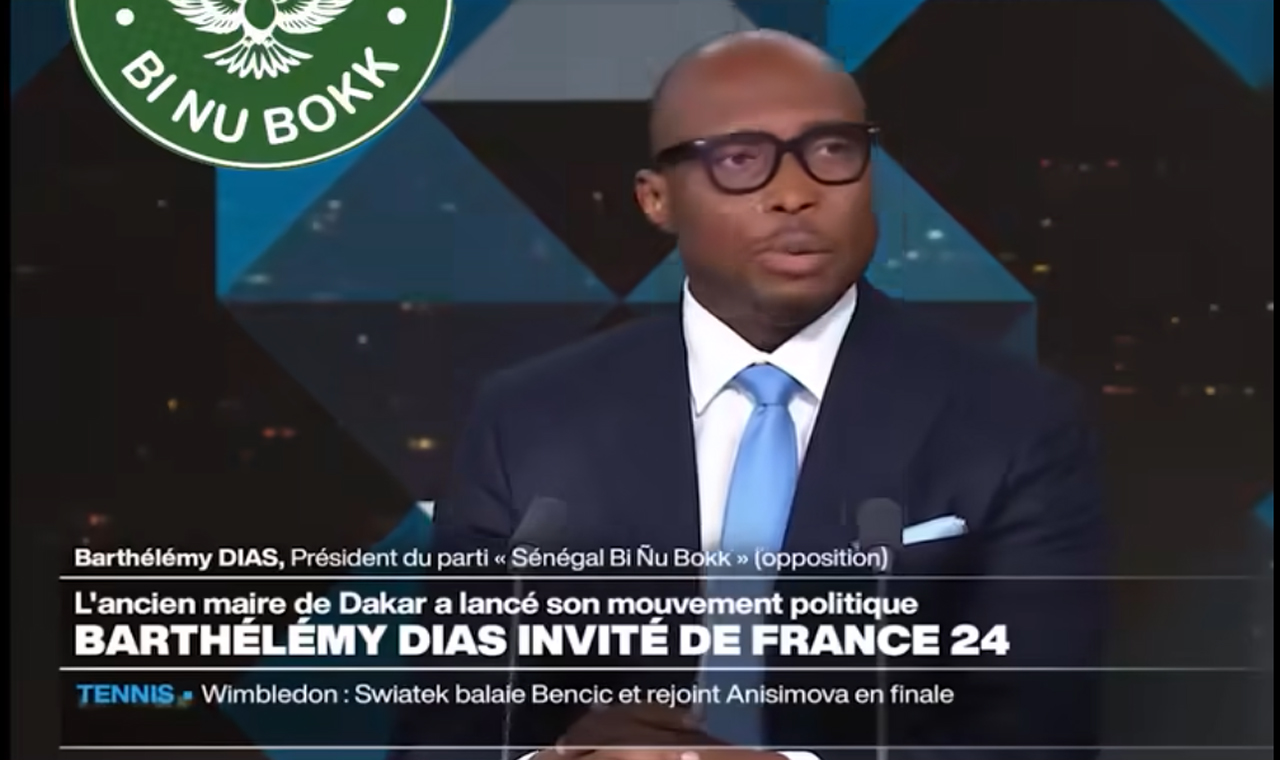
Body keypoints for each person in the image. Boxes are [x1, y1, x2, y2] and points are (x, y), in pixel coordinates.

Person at [393, 29, 1105, 760]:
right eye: (739, 159)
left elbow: (1039, 738)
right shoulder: (528, 419)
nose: (795, 194)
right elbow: (444, 736)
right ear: (657, 199)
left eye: (833, 151)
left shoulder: (1016, 421)